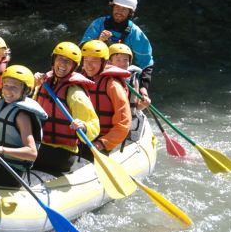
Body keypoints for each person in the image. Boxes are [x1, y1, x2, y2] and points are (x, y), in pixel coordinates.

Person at [33, 42, 100, 172]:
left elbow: (94, 125)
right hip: (40, 144)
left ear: (74, 66)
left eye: (68, 62)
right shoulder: (44, 82)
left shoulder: (75, 93)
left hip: (63, 153)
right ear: (53, 61)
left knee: (21, 154)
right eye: (60, 59)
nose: (63, 64)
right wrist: (30, 84)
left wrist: (84, 127)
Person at [80, 0, 154, 96]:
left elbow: (147, 63)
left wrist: (143, 88)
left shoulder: (135, 32)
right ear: (112, 7)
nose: (119, 11)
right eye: (117, 7)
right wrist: (98, 41)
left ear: (130, 12)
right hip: (93, 71)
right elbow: (81, 49)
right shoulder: (99, 24)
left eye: (124, 9)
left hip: (119, 77)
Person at [79, 40, 131, 159]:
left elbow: (123, 123)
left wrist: (102, 143)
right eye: (86, 60)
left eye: (94, 61)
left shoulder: (113, 85)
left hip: (101, 141)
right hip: (81, 136)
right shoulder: (80, 78)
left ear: (104, 62)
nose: (89, 65)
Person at [109, 43, 150, 141]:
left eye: (125, 60)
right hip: (109, 122)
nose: (122, 64)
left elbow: (136, 106)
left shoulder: (133, 79)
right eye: (118, 60)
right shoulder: (104, 78)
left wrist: (143, 105)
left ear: (130, 62)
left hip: (129, 121)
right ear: (109, 62)